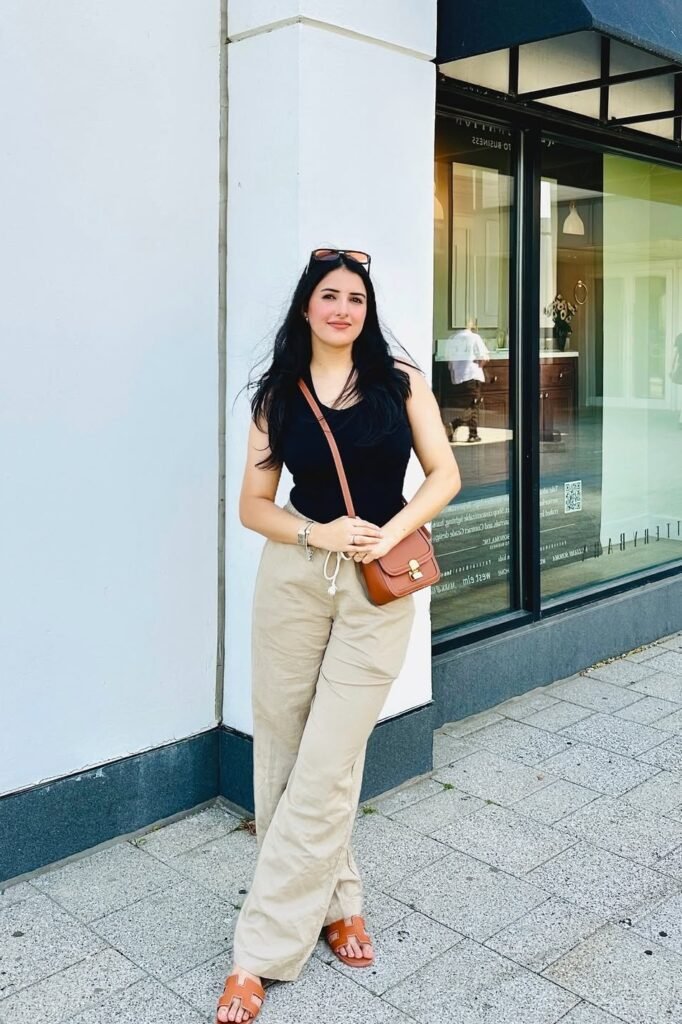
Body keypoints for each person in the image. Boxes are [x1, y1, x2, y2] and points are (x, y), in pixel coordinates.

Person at [216, 247, 461, 1022]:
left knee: (326, 759)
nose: (343, 308)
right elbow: (254, 506)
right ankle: (340, 902)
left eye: (356, 296)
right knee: (286, 753)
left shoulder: (400, 381)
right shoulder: (277, 398)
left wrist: (387, 531)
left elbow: (445, 474)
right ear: (305, 307)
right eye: (329, 295)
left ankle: (258, 951)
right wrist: (317, 533)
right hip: (295, 577)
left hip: (378, 585)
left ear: (368, 309)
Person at [445, 320, 490, 442]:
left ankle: (473, 434)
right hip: (471, 376)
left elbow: (448, 360)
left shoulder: (452, 338)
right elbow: (484, 358)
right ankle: (454, 426)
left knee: (471, 405)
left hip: (458, 378)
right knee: (473, 406)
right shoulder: (474, 337)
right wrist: (479, 367)